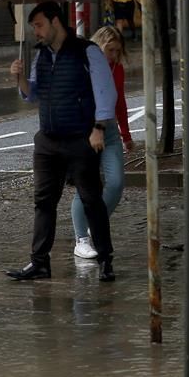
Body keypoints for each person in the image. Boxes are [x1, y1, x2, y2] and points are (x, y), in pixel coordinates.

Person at [7, 1, 117, 282]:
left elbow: (106, 92)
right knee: (43, 202)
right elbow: (33, 94)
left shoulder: (87, 51)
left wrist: (98, 128)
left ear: (55, 22)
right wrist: (20, 79)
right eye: (33, 27)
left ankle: (106, 259)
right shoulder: (42, 55)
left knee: (91, 200)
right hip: (48, 140)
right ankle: (39, 262)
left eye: (39, 25)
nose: (36, 32)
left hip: (81, 138)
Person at [71, 26, 134, 259]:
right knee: (86, 187)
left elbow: (120, 102)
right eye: (110, 50)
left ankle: (95, 224)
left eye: (118, 51)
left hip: (109, 132)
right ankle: (82, 239)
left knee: (116, 183)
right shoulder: (84, 68)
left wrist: (126, 135)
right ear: (98, 48)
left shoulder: (117, 69)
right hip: (86, 132)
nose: (114, 55)